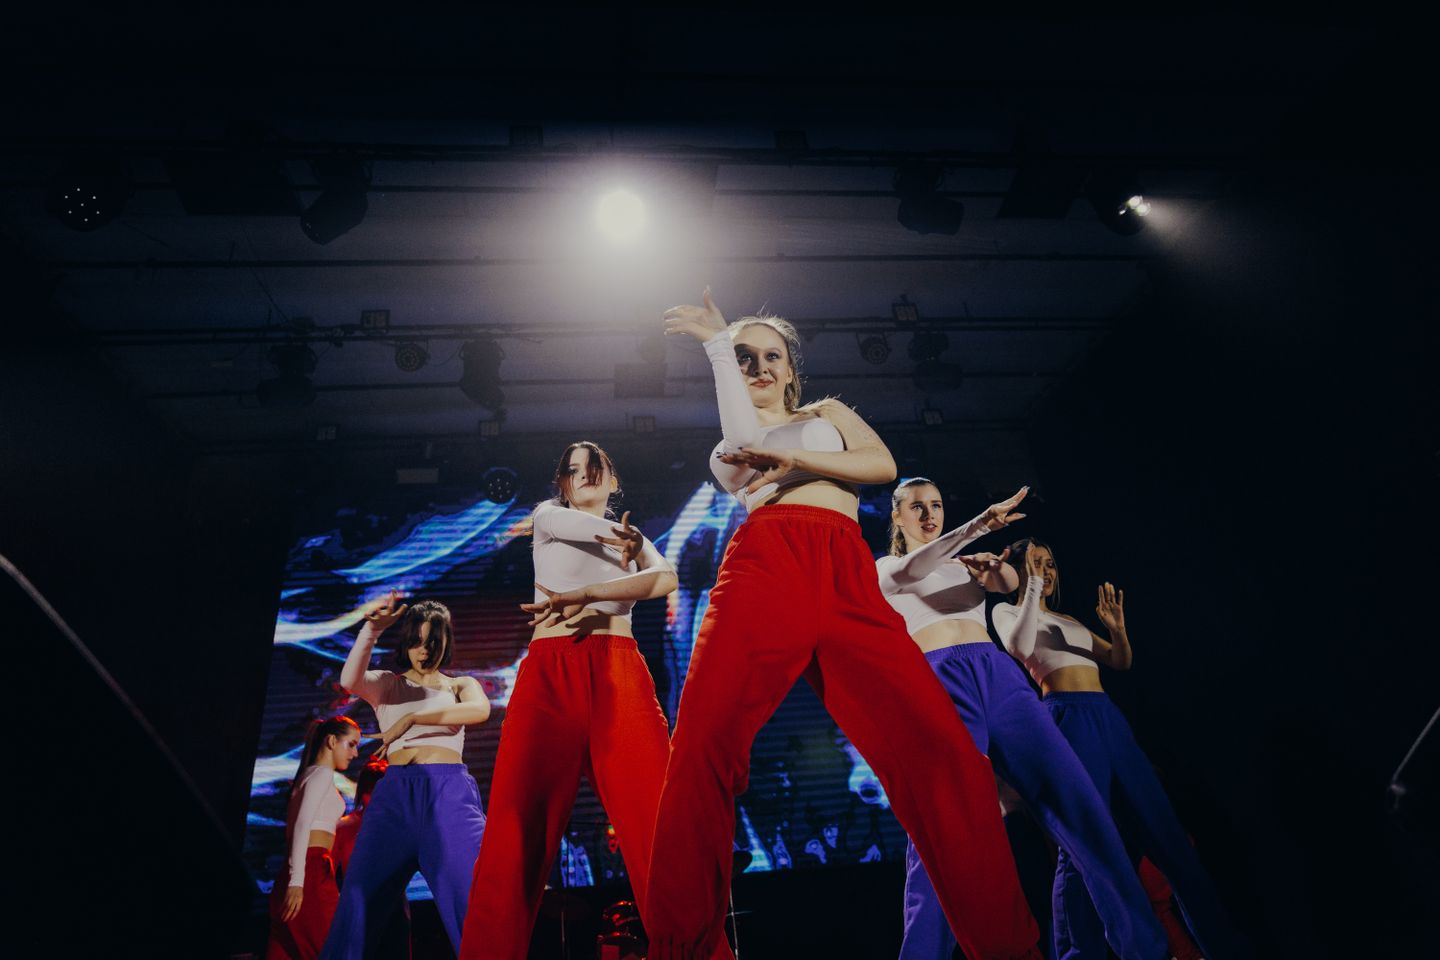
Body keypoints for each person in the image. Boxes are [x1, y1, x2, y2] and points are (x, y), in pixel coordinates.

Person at [644, 289, 1043, 960]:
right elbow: (745, 444)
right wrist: (716, 343)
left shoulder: (828, 413)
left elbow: (881, 466)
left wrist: (801, 461)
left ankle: (1008, 949)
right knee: (702, 746)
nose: (759, 366)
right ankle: (683, 949)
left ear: (792, 371)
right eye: (744, 358)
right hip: (767, 566)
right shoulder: (726, 449)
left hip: (845, 572)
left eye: (772, 355)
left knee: (946, 758)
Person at [878, 479, 1169, 960]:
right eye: (917, 507)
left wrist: (997, 569)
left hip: (997, 675)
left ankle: (1145, 948)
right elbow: (914, 567)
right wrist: (979, 526)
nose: (929, 515)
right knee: (945, 825)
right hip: (940, 681)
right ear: (897, 516)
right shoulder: (887, 567)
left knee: (1078, 801)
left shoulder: (961, 563)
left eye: (936, 505)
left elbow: (1008, 584)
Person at [459, 441, 697, 960]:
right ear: (562, 483)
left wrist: (593, 592)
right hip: (551, 675)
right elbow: (643, 568)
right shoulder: (549, 516)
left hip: (620, 672)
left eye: (596, 467)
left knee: (659, 829)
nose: (585, 474)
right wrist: (633, 549)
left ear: (614, 481)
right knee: (515, 833)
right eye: (573, 469)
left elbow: (668, 580)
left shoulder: (631, 537)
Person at [993, 539, 1247, 960]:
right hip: (1067, 718)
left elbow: (1119, 661)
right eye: (1036, 562)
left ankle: (1222, 947)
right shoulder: (1007, 612)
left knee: (1168, 837)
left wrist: (1117, 630)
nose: (1047, 570)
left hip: (1107, 716)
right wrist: (1032, 586)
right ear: (1018, 570)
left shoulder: (1067, 618)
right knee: (1084, 845)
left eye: (1051, 563)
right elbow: (1019, 648)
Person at [319, 597, 490, 959]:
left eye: (433, 641)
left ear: (446, 641)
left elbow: (480, 710)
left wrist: (413, 719)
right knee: (357, 905)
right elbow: (349, 680)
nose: (424, 651)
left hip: (449, 797)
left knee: (475, 906)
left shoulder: (460, 685)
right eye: (416, 641)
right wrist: (372, 629)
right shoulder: (387, 685)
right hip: (395, 799)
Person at [267, 715, 360, 960]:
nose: (355, 753)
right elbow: (302, 824)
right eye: (351, 744)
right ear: (332, 741)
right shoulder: (321, 775)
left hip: (295, 874)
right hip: (309, 875)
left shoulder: (308, 775)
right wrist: (298, 882)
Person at [331, 759, 411, 960]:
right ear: (363, 792)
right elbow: (328, 870)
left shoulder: (399, 824)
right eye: (372, 793)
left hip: (394, 906)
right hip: (358, 906)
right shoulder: (345, 826)